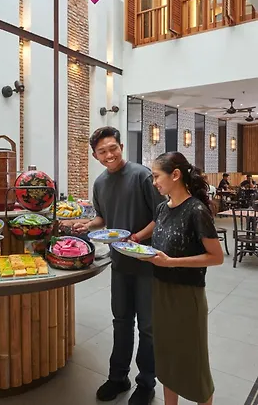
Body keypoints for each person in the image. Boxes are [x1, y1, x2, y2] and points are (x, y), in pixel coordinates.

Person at [74, 126, 164, 405]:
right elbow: (103, 219)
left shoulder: (142, 175)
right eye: (102, 151)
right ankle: (118, 377)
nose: (109, 154)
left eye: (113, 148)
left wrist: (136, 237)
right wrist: (87, 225)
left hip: (147, 263)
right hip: (120, 264)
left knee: (148, 327)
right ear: (95, 155)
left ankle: (146, 383)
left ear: (121, 147)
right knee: (121, 322)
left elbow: (161, 216)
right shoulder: (100, 182)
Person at [143, 152, 223, 405]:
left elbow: (216, 257)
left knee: (193, 361)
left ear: (175, 175)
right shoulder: (161, 209)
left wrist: (171, 262)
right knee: (166, 356)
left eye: (157, 176)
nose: (154, 182)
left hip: (187, 295)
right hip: (160, 290)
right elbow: (158, 244)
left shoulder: (196, 211)